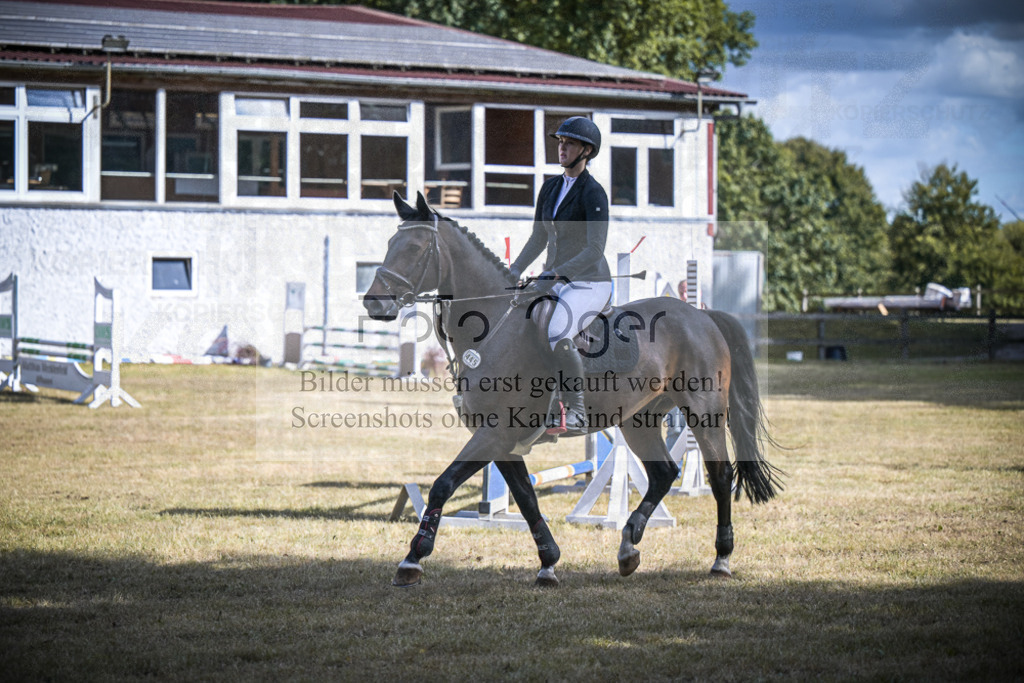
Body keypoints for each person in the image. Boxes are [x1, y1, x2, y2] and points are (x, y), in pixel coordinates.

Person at [509, 116, 612, 433]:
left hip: (589, 281)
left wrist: (555, 274)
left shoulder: (593, 193)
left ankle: (576, 410)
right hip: (555, 280)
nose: (562, 148)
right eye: (560, 142)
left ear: (586, 150)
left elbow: (594, 249)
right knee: (519, 318)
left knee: (556, 330)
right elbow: (538, 238)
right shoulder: (550, 188)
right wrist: (513, 269)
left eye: (569, 143)